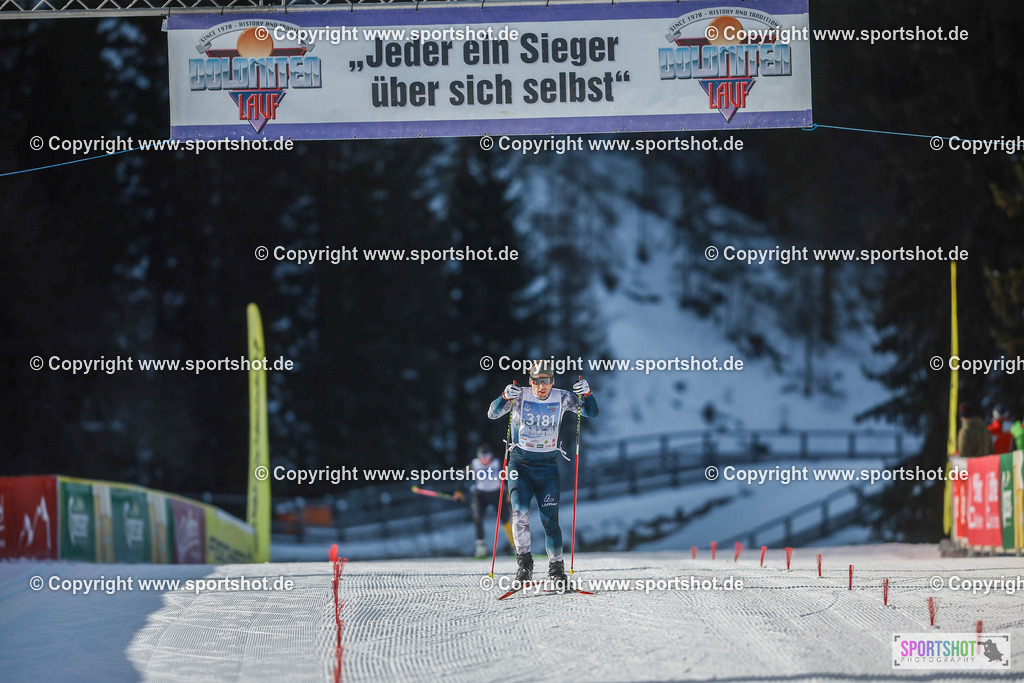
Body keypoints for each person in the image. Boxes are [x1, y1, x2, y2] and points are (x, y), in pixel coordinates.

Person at [487, 360, 598, 587]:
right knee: (520, 513)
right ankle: (524, 565)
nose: (541, 386)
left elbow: (591, 412)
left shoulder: (562, 397)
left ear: (552, 381)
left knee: (550, 520)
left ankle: (557, 570)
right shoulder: (520, 395)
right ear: (530, 382)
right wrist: (504, 397)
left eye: (546, 381)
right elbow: (492, 413)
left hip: (547, 468)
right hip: (520, 465)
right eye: (537, 381)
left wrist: (588, 393)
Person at [454, 444, 512, 558]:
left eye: (487, 456)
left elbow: (510, 477)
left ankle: (515, 547)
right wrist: (459, 491)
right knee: (478, 518)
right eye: (482, 457)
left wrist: (509, 493)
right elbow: (461, 475)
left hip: (497, 493)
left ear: (491, 456)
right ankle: (481, 549)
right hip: (480, 495)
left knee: (506, 519)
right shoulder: (475, 464)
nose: (485, 460)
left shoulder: (497, 463)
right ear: (478, 456)